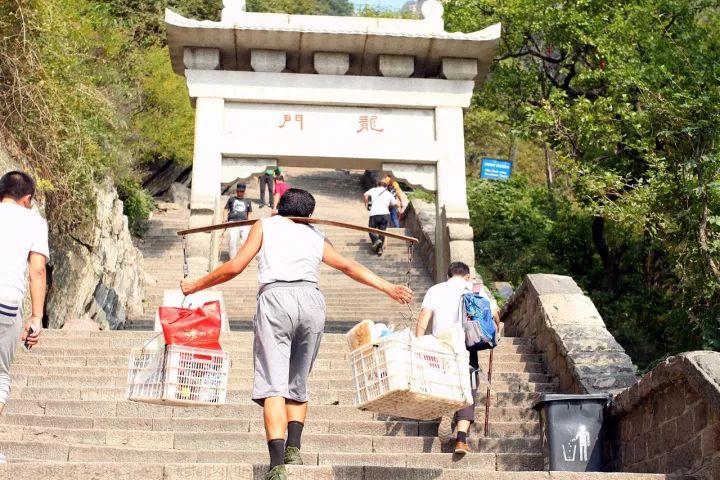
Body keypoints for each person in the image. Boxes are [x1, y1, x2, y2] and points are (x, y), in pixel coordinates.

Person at [181, 188, 413, 480]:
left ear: (278, 206)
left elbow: (235, 267)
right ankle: (294, 448)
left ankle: (277, 465)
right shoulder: (316, 235)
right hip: (312, 301)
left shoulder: (263, 225)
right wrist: (388, 288)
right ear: (310, 215)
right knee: (298, 379)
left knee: (273, 384)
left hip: (276, 299)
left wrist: (196, 285)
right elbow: (348, 266)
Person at [414, 262, 500, 455]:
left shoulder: (435, 290)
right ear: (468, 276)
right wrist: (496, 332)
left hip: (441, 345)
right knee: (468, 387)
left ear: (448, 275)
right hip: (467, 346)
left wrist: (418, 342)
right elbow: (494, 315)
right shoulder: (476, 289)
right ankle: (461, 440)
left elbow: (424, 316)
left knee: (442, 381)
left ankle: (445, 408)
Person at [0, 171, 47, 464]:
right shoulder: (33, 221)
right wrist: (36, 317)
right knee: (0, 374)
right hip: (6, 301)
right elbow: (38, 270)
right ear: (27, 199)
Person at [363, 179, 397, 256]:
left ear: (378, 184)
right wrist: (388, 204)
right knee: (382, 231)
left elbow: (365, 195)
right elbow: (395, 204)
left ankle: (376, 240)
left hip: (374, 213)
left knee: (371, 229)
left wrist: (366, 204)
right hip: (385, 214)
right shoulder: (388, 193)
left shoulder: (373, 190)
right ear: (385, 186)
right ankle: (380, 249)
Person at [224, 183, 253, 258]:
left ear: (244, 192)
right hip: (233, 222)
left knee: (245, 242)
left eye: (242, 192)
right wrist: (224, 218)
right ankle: (233, 259)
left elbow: (249, 212)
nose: (240, 193)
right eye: (239, 191)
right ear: (236, 191)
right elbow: (226, 209)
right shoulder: (231, 199)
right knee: (232, 241)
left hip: (244, 223)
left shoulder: (248, 201)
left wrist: (250, 224)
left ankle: (243, 259)